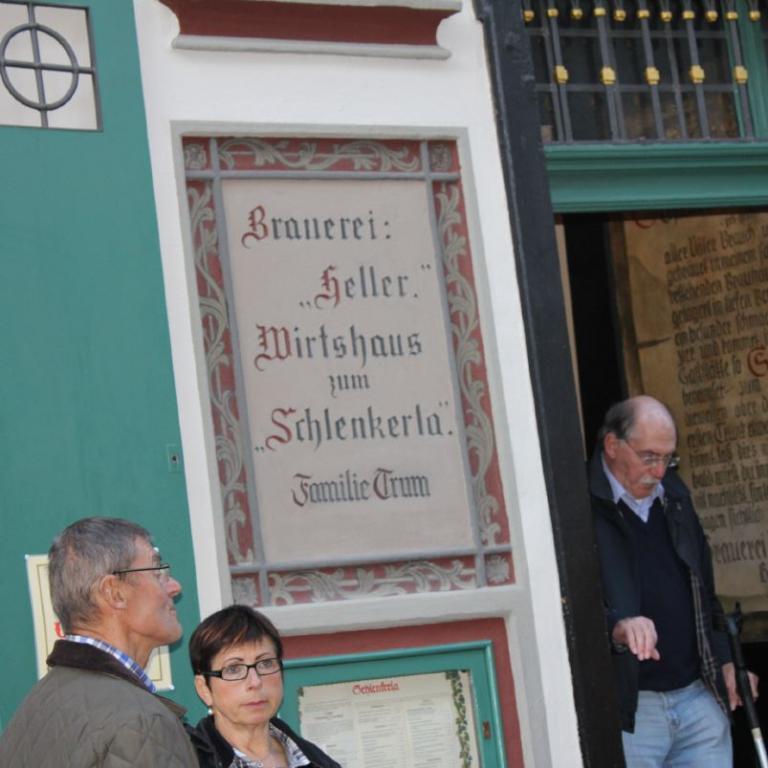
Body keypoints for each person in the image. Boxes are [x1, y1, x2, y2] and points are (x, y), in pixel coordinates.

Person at [590, 395, 758, 766]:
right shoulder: (579, 506)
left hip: (697, 700)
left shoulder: (676, 498)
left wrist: (726, 661)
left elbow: (705, 595)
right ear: (612, 445)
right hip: (630, 711)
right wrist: (617, 626)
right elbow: (563, 609)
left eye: (668, 458)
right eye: (649, 456)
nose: (660, 470)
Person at [0, 516, 197, 768]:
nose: (175, 587)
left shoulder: (37, 705)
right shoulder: (140, 721)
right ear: (114, 593)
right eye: (157, 572)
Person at [186, 604, 340, 768]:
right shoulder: (186, 762)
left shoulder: (316, 761)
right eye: (233, 669)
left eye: (266, 663)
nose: (255, 682)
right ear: (204, 689)